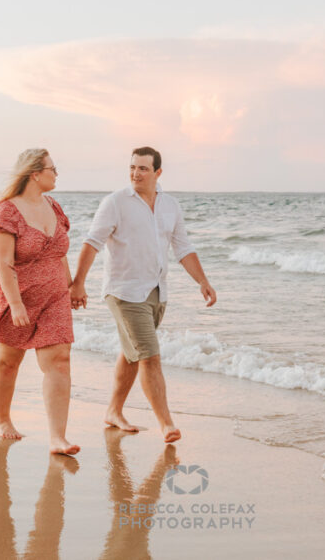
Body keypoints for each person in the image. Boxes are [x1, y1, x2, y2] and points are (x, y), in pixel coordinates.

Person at [70, 146, 216, 443]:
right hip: (124, 292)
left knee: (132, 353)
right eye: (133, 167)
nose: (136, 173)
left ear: (158, 173)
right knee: (150, 355)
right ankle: (167, 424)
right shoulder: (115, 202)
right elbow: (92, 243)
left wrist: (203, 281)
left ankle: (113, 411)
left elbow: (183, 248)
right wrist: (78, 284)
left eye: (143, 169)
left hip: (157, 291)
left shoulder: (170, 205)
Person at [0, 148, 79, 455]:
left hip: (54, 297)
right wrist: (17, 304)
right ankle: (3, 420)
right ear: (35, 173)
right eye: (53, 168)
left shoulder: (54, 206)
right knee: (8, 362)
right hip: (15, 297)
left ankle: (57, 438)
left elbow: (58, 252)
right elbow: (4, 265)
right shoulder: (4, 213)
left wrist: (72, 285)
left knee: (59, 361)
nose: (57, 173)